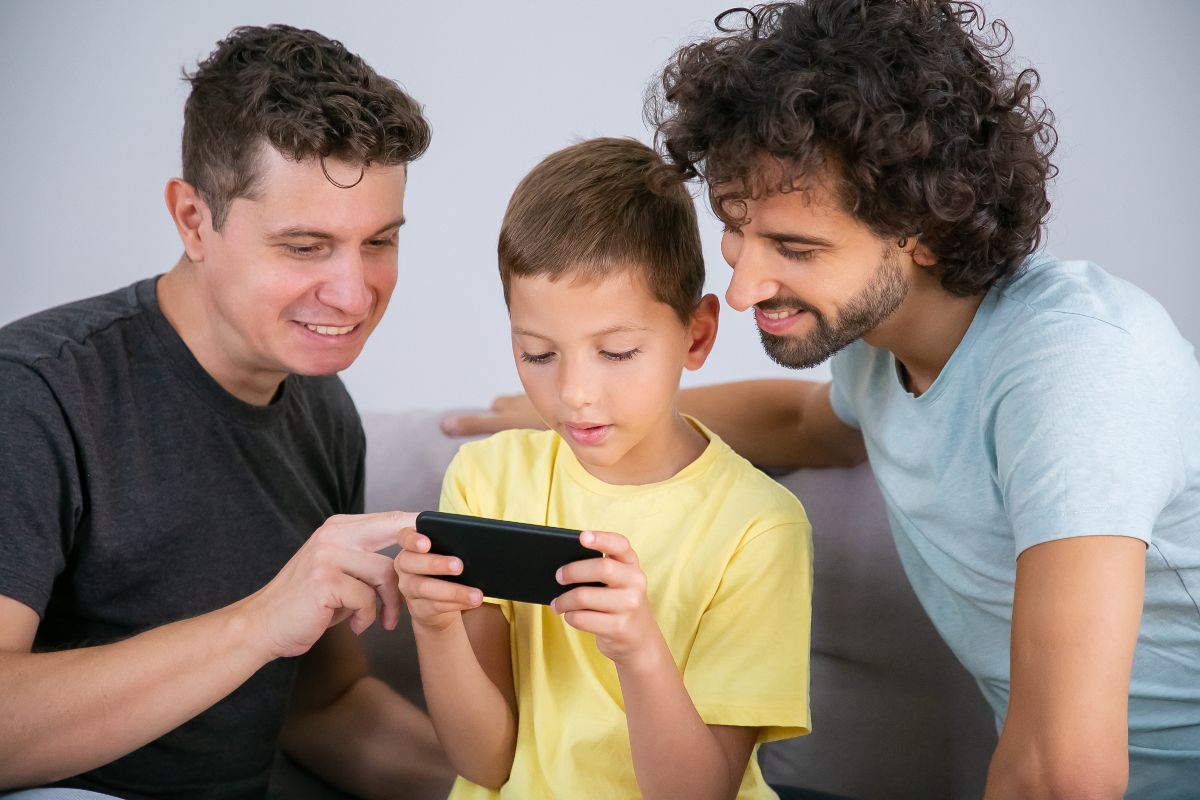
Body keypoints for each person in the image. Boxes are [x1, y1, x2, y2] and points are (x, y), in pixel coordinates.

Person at [442, 3, 1200, 799]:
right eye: (739, 230)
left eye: (795, 250)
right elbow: (802, 424)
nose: (741, 288)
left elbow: (1060, 775)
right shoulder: (882, 350)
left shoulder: (1075, 373)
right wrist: (572, 404)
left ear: (924, 229)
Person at [0, 25, 453, 799]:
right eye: (306, 246)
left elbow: (326, 707)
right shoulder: (36, 394)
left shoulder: (322, 409)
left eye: (378, 241)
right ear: (192, 220)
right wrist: (260, 623)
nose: (354, 293)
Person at [397, 137, 813, 799]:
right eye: (538, 353)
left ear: (697, 335)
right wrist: (435, 626)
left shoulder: (758, 527)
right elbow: (485, 763)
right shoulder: (487, 479)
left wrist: (641, 651)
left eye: (616, 352)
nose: (574, 393)